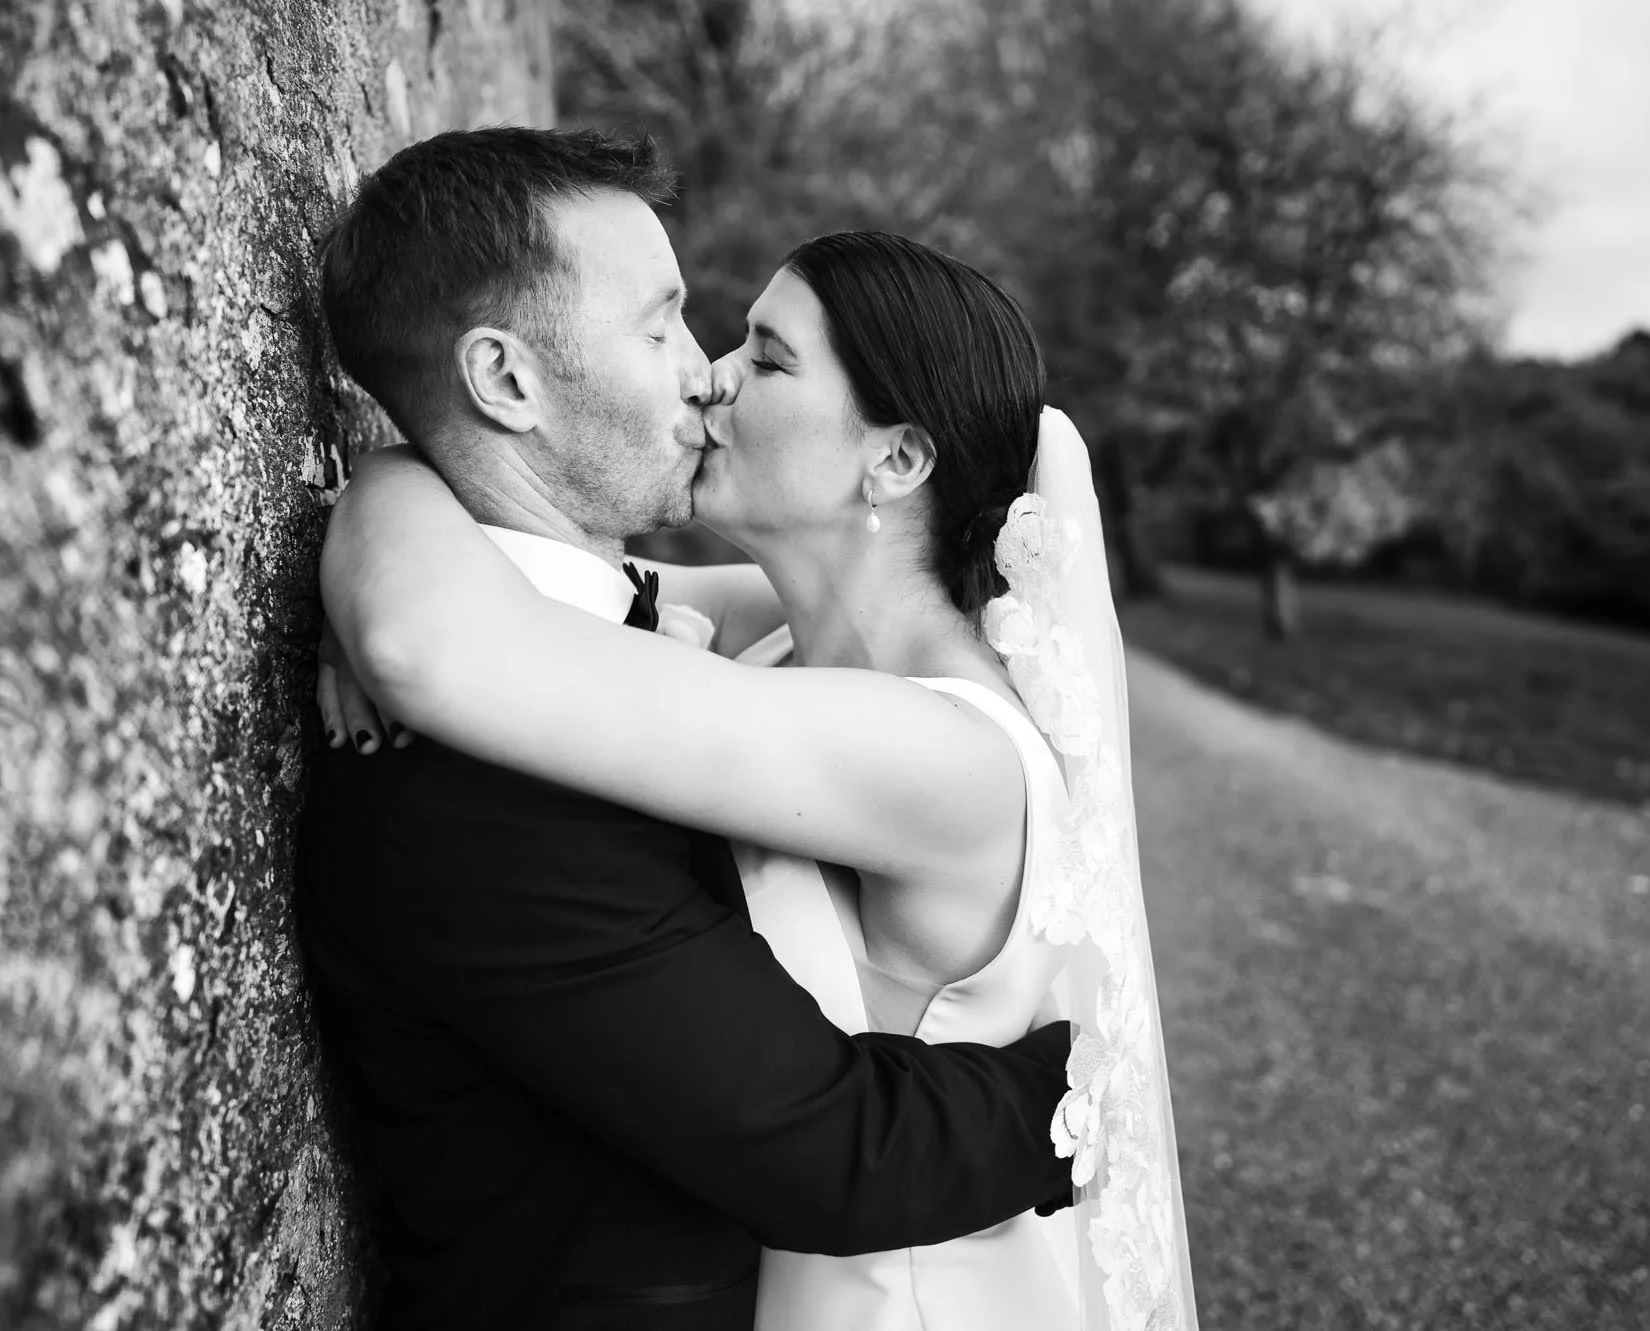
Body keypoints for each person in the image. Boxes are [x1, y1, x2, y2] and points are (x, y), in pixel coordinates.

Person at [296, 128, 1081, 1331]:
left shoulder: (925, 743)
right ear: (506, 383)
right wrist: (387, 494)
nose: (704, 373)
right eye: (664, 325)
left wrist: (1094, 1093)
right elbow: (470, 608)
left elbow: (434, 645)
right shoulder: (760, 645)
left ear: (894, 460)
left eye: (758, 357)